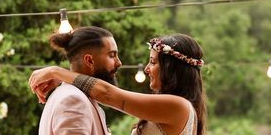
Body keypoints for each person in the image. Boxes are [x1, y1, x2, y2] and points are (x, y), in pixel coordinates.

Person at [30, 33, 207, 135]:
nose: (146, 69)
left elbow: (108, 94)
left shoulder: (178, 106)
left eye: (153, 62)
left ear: (171, 68)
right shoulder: (177, 108)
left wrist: (57, 72)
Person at [37, 26, 122, 135]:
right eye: (112, 55)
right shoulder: (73, 99)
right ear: (89, 60)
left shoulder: (77, 95)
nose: (119, 62)